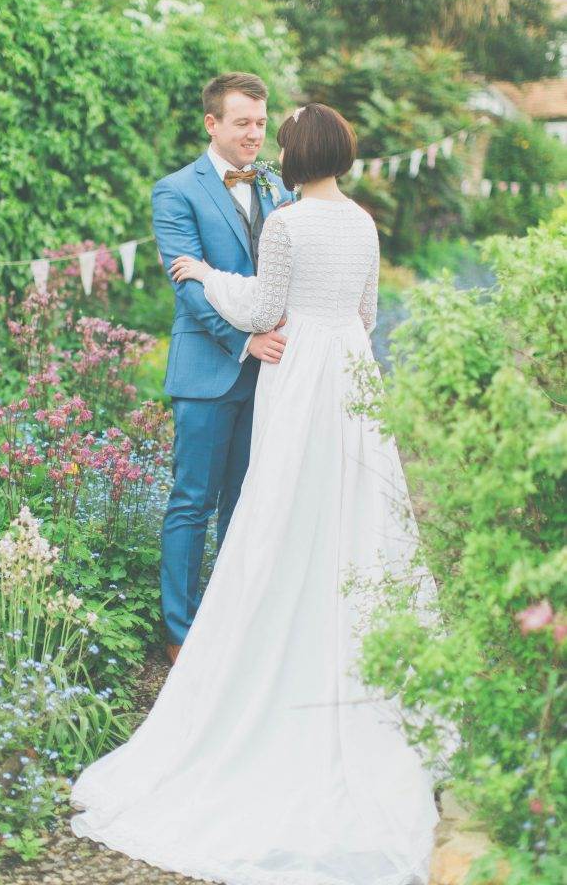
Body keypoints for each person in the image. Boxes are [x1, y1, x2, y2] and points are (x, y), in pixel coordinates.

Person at [70, 102, 440, 884]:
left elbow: (263, 308)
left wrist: (204, 274)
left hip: (298, 370)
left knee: (278, 509)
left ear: (293, 153)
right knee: (353, 512)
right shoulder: (365, 222)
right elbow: (367, 315)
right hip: (350, 371)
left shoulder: (287, 224)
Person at [150, 72, 294, 666]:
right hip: (209, 369)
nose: (254, 135)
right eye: (243, 123)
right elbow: (188, 286)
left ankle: (232, 620)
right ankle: (181, 632)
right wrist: (245, 341)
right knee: (192, 501)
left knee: (246, 500)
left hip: (272, 373)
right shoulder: (176, 191)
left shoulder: (278, 187)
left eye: (261, 123)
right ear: (213, 124)